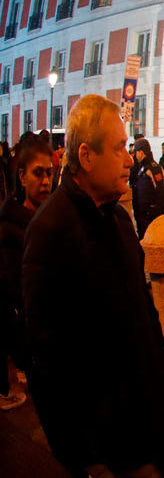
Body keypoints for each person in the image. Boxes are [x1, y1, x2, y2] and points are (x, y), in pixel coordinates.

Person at [23, 95, 164, 476]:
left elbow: (145, 317)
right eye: (119, 147)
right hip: (118, 449)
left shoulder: (120, 221)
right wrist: (85, 459)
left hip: (161, 423)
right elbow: (46, 363)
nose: (127, 158)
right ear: (86, 156)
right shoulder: (49, 232)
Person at [0, 132, 54, 411]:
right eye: (38, 174)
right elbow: (12, 294)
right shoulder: (11, 228)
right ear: (21, 177)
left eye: (49, 173)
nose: (45, 181)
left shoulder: (56, 218)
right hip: (35, 344)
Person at [131, 139, 164, 240]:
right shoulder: (146, 167)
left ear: (141, 153)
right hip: (145, 213)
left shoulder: (151, 168)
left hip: (149, 214)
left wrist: (149, 210)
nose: (135, 156)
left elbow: (158, 190)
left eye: (136, 152)